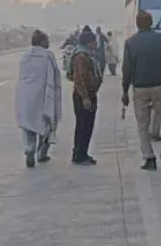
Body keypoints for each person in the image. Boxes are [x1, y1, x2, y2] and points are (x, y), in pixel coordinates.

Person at [121, 10, 161, 171]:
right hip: (159, 86)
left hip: (140, 89)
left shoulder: (130, 43)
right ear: (151, 22)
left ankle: (149, 158)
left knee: (143, 125)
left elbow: (126, 69)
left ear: (137, 24)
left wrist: (125, 91)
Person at [15, 30, 62, 168]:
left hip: (25, 95)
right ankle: (41, 153)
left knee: (28, 127)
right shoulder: (47, 56)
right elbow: (54, 77)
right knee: (45, 125)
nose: (48, 43)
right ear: (42, 42)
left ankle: (29, 150)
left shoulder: (25, 56)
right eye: (46, 40)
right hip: (43, 96)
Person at [68, 29, 103, 165]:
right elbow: (79, 79)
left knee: (84, 125)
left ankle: (80, 152)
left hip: (87, 93)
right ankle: (80, 155)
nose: (96, 44)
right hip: (84, 94)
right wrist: (85, 98)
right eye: (94, 41)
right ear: (89, 43)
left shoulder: (87, 55)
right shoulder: (81, 56)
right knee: (84, 125)